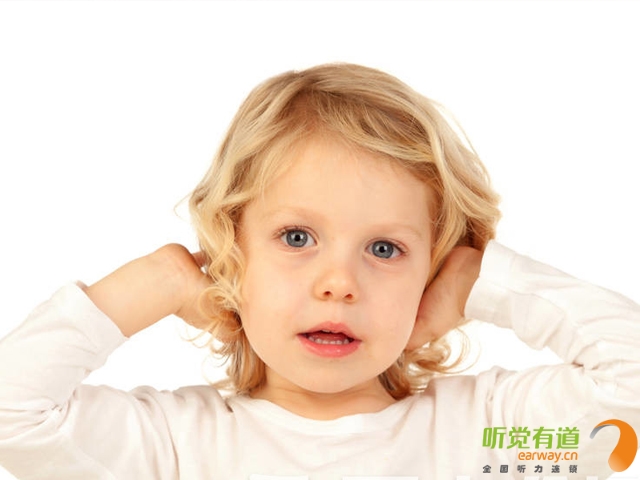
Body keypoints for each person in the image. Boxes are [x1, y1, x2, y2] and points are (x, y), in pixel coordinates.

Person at [0, 63, 637, 480]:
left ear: (432, 272)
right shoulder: (172, 448)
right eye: (297, 238)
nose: (340, 283)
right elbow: (12, 414)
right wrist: (159, 280)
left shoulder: (491, 439)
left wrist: (480, 283)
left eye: (384, 249)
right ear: (232, 251)